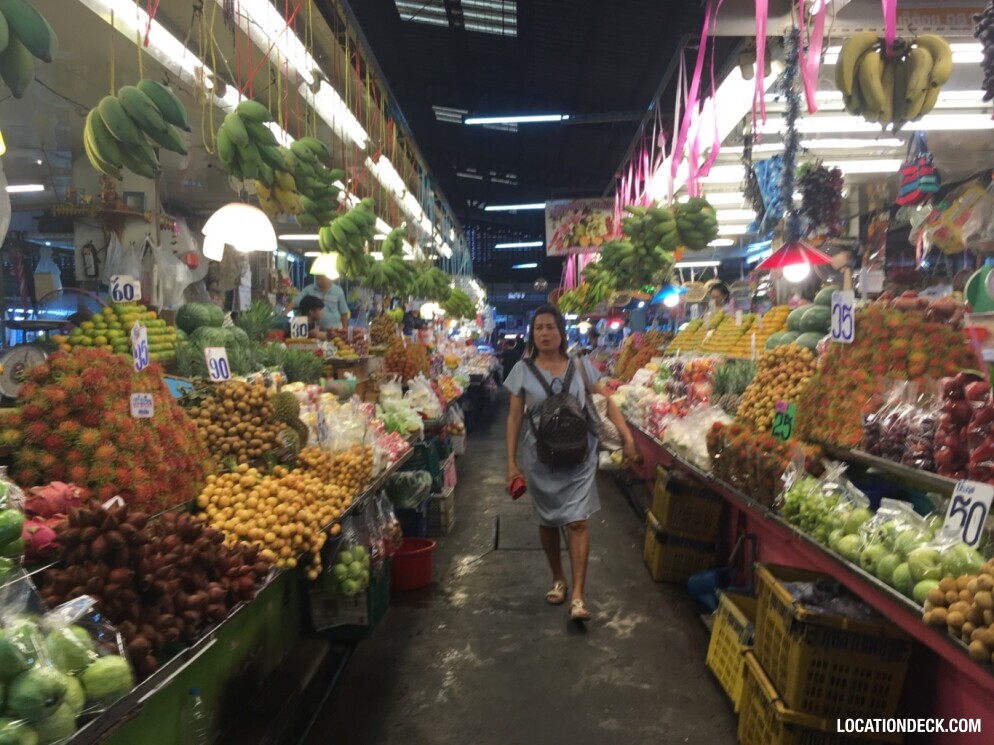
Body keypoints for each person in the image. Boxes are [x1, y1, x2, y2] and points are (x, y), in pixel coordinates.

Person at [504, 305, 639, 623]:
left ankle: (578, 595)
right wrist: (511, 463)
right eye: (539, 328)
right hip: (541, 459)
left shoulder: (579, 364)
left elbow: (605, 401)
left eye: (550, 327)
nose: (545, 333)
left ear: (561, 332)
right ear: (532, 334)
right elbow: (514, 417)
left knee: (578, 521)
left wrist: (627, 439)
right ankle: (558, 578)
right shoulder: (521, 371)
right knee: (548, 521)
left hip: (579, 456)